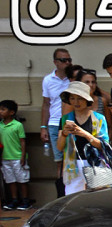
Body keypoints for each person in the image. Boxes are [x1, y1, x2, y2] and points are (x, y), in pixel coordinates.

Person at [55, 81, 111, 195]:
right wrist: (64, 134)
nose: (76, 102)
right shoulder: (65, 119)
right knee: (72, 198)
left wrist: (85, 134)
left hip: (95, 163)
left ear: (86, 99)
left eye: (79, 98)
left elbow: (104, 145)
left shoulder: (99, 118)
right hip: (73, 164)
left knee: (98, 198)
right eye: (72, 98)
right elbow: (59, 147)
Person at [40, 48, 73, 182]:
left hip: (71, 122)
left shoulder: (73, 78)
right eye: (63, 60)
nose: (67, 63)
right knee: (59, 161)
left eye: (69, 60)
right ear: (55, 62)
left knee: (72, 159)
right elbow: (46, 104)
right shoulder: (48, 80)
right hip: (54, 124)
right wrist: (43, 127)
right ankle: (61, 190)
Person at [0, 100, 31, 209]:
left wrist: (22, 156)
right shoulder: (0, 125)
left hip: (17, 157)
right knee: (10, 180)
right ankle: (14, 200)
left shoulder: (18, 125)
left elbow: (22, 141)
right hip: (5, 157)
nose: (0, 111)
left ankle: (25, 200)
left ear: (11, 112)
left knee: (22, 179)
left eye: (3, 109)